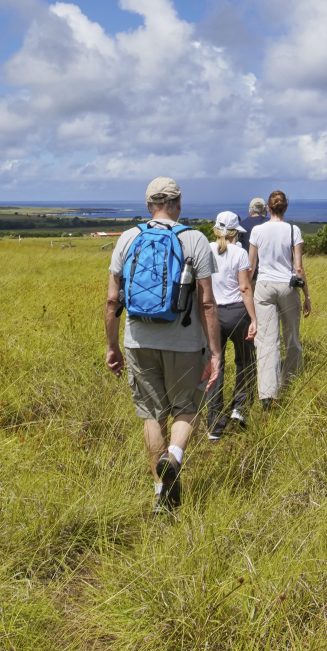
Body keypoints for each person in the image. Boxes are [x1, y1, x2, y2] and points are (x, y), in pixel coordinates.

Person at [105, 176, 220, 512]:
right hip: (185, 342)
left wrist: (113, 346)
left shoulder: (128, 238)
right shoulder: (194, 239)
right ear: (178, 205)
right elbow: (208, 303)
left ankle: (160, 493)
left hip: (138, 340)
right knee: (186, 407)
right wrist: (215, 351)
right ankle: (175, 456)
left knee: (152, 414)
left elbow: (113, 300)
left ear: (148, 206)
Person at [247, 189, 311, 409]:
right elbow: (299, 268)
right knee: (291, 337)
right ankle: (289, 381)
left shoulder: (257, 230)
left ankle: (267, 393)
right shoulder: (294, 230)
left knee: (266, 341)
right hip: (287, 286)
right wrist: (307, 295)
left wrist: (244, 289)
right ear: (286, 207)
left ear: (268, 207)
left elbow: (251, 265)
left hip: (264, 286)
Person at [204, 210, 257, 440]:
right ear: (236, 232)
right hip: (237, 312)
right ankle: (240, 407)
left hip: (211, 313)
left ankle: (215, 422)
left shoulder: (205, 249)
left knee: (216, 365)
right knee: (245, 360)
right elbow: (245, 288)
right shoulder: (240, 253)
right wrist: (254, 318)